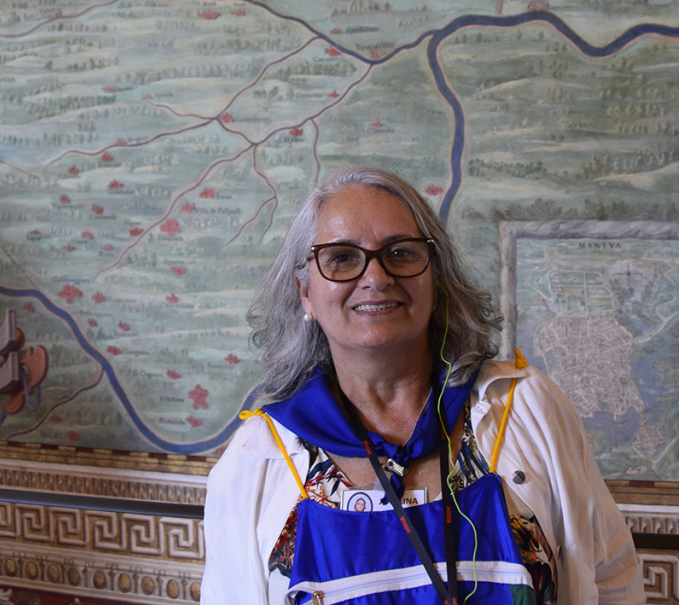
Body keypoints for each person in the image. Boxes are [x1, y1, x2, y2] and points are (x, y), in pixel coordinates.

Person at [202, 166, 645, 604]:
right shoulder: (256, 460)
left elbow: (613, 579)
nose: (376, 277)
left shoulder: (526, 408)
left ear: (436, 278)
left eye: (401, 252)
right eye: (342, 258)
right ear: (306, 293)